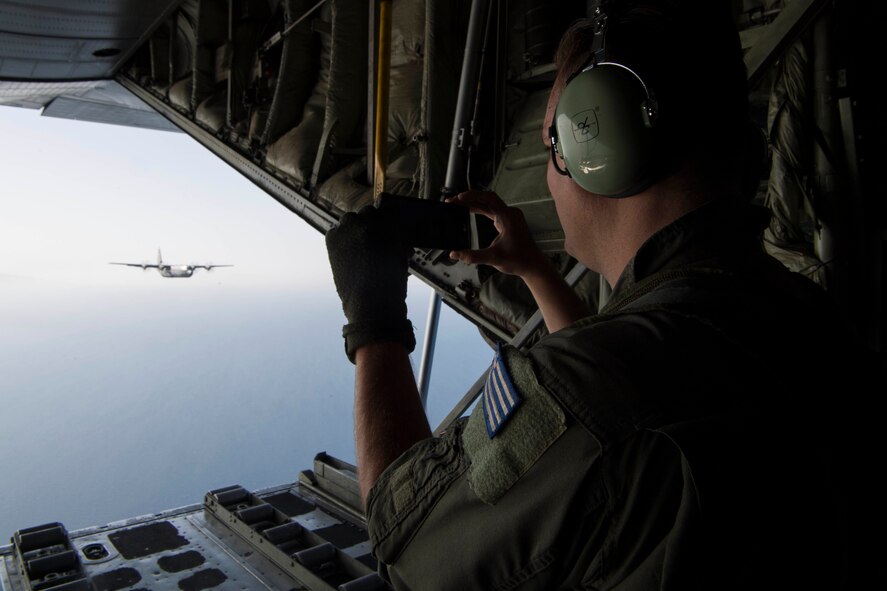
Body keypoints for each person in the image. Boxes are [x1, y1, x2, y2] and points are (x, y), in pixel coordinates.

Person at [326, 1, 873, 589]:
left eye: (552, 142)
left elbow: (407, 547)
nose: (548, 176)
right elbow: (606, 393)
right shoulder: (787, 307)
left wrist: (373, 318)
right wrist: (534, 269)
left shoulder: (606, 378)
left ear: (596, 147)